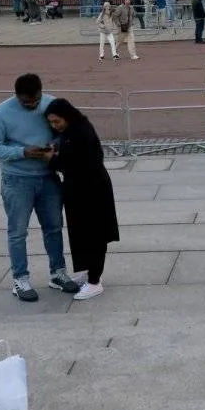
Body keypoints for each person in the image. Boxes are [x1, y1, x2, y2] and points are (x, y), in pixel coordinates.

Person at [0, 73, 79, 302]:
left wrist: (53, 147)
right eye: (26, 102)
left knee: (54, 227)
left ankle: (58, 273)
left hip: (48, 177)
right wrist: (22, 152)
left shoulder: (51, 104)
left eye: (35, 100)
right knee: (17, 232)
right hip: (16, 180)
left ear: (41, 92)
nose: (32, 105)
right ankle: (20, 278)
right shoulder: (1, 113)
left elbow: (67, 132)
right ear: (17, 96)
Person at [44, 98, 120, 300]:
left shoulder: (81, 132)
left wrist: (52, 159)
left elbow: (75, 163)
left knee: (94, 235)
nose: (54, 126)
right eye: (51, 122)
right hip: (79, 190)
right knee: (82, 233)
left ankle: (95, 280)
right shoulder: (73, 130)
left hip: (92, 191)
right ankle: (90, 274)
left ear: (66, 117)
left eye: (57, 121)